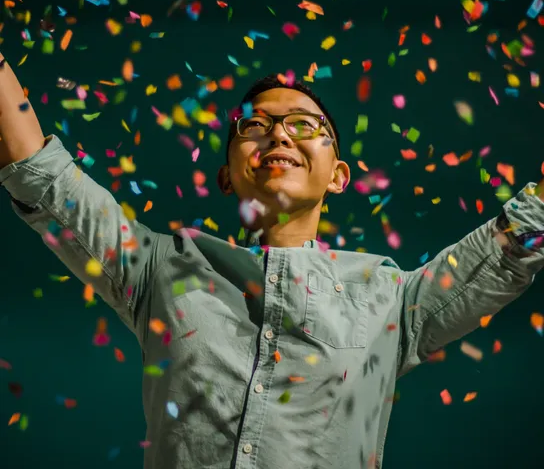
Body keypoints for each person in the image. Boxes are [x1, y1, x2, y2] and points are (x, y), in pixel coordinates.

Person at [1, 51, 544, 469]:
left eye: (305, 126)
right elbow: (41, 173)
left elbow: (513, 244)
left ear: (338, 175)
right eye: (255, 126)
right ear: (227, 172)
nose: (280, 132)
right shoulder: (160, 267)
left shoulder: (393, 297)